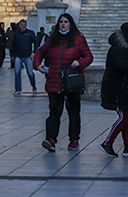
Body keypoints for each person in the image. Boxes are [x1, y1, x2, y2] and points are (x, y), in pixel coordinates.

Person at [34, 14, 94, 152]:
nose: (63, 24)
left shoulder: (79, 39)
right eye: (61, 22)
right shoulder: (52, 39)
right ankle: (50, 139)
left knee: (73, 111)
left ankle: (74, 139)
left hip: (72, 80)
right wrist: (38, 65)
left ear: (70, 24)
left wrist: (79, 63)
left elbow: (89, 56)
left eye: (66, 22)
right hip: (55, 81)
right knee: (54, 111)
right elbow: (40, 51)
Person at [99, 22, 128, 158]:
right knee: (125, 116)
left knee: (127, 114)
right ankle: (107, 142)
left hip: (122, 87)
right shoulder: (120, 48)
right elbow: (122, 66)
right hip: (116, 87)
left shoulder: (124, 46)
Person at [10, 19, 39, 95]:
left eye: (24, 25)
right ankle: (17, 89)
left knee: (30, 73)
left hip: (27, 55)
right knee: (17, 73)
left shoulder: (30, 33)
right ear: (19, 26)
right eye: (22, 25)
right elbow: (13, 45)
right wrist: (12, 55)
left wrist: (34, 52)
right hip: (18, 56)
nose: (23, 26)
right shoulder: (16, 34)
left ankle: (33, 85)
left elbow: (36, 42)